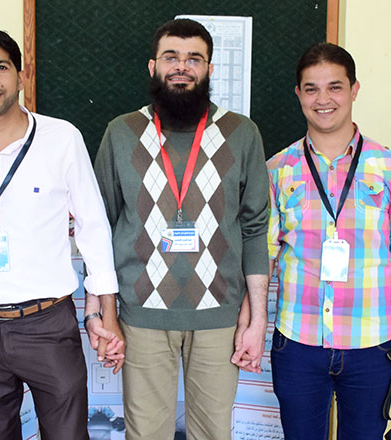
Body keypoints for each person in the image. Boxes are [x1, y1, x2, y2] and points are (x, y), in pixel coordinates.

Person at [0, 29, 123, 440]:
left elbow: (92, 227)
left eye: (1, 67)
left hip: (47, 324)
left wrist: (108, 312)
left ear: (21, 75)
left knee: (67, 435)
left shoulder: (62, 138)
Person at [94, 18, 270, 440]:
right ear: (152, 66)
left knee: (212, 433)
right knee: (146, 433)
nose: (182, 67)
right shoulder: (121, 133)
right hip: (141, 315)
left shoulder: (242, 134)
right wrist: (102, 312)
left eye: (194, 59)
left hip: (220, 316)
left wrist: (257, 318)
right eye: (171, 57)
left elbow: (254, 229)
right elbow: (99, 228)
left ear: (209, 69)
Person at [265, 43, 391, 439]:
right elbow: (265, 257)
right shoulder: (278, 169)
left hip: (374, 341)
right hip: (298, 341)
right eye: (312, 88)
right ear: (298, 94)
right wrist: (250, 326)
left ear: (354, 90)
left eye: (335, 87)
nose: (323, 99)